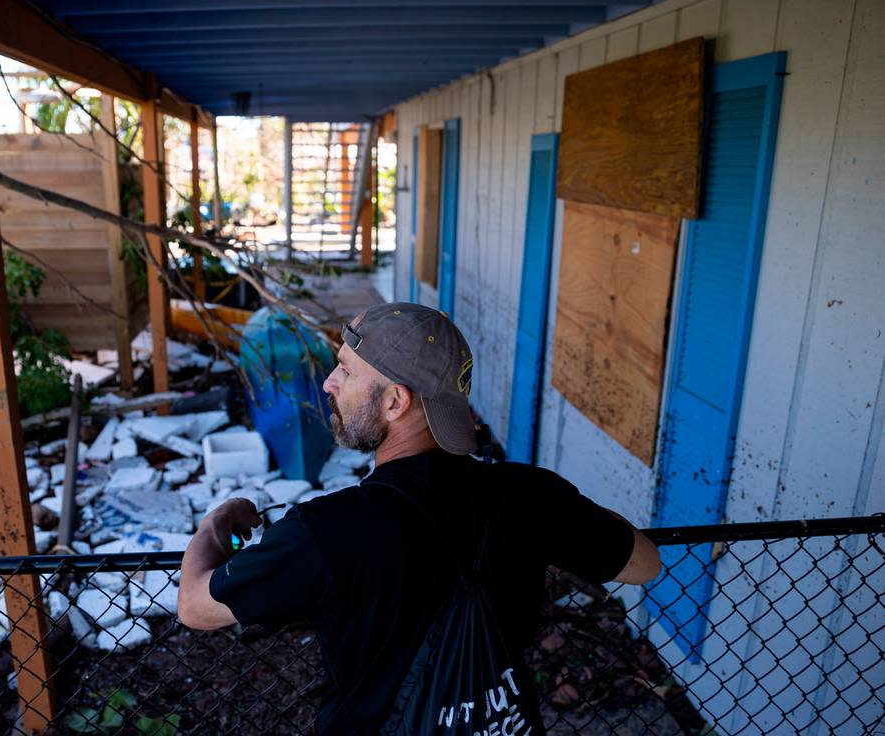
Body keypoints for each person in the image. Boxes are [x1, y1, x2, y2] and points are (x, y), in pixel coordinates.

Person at [178, 302, 661, 734]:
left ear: (395, 401)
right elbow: (644, 565)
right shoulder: (529, 493)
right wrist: (553, 513)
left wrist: (215, 524)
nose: (329, 382)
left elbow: (195, 608)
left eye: (345, 370)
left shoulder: (326, 530)